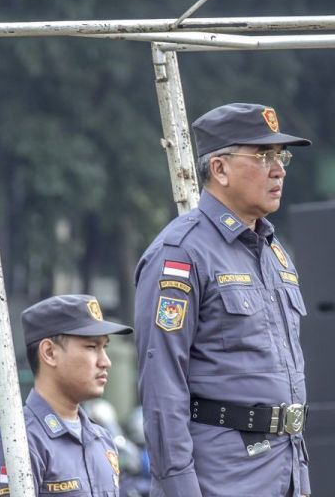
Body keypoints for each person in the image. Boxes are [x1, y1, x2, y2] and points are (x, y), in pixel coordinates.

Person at [134, 102, 312, 497]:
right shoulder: (180, 253)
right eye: (262, 156)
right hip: (223, 477)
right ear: (219, 168)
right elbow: (162, 382)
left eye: (280, 156)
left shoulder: (273, 250)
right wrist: (178, 486)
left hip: (284, 469)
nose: (278, 169)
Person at [0, 294, 133, 497]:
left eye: (104, 347)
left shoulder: (102, 440)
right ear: (49, 353)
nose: (105, 361)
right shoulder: (18, 444)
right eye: (91, 347)